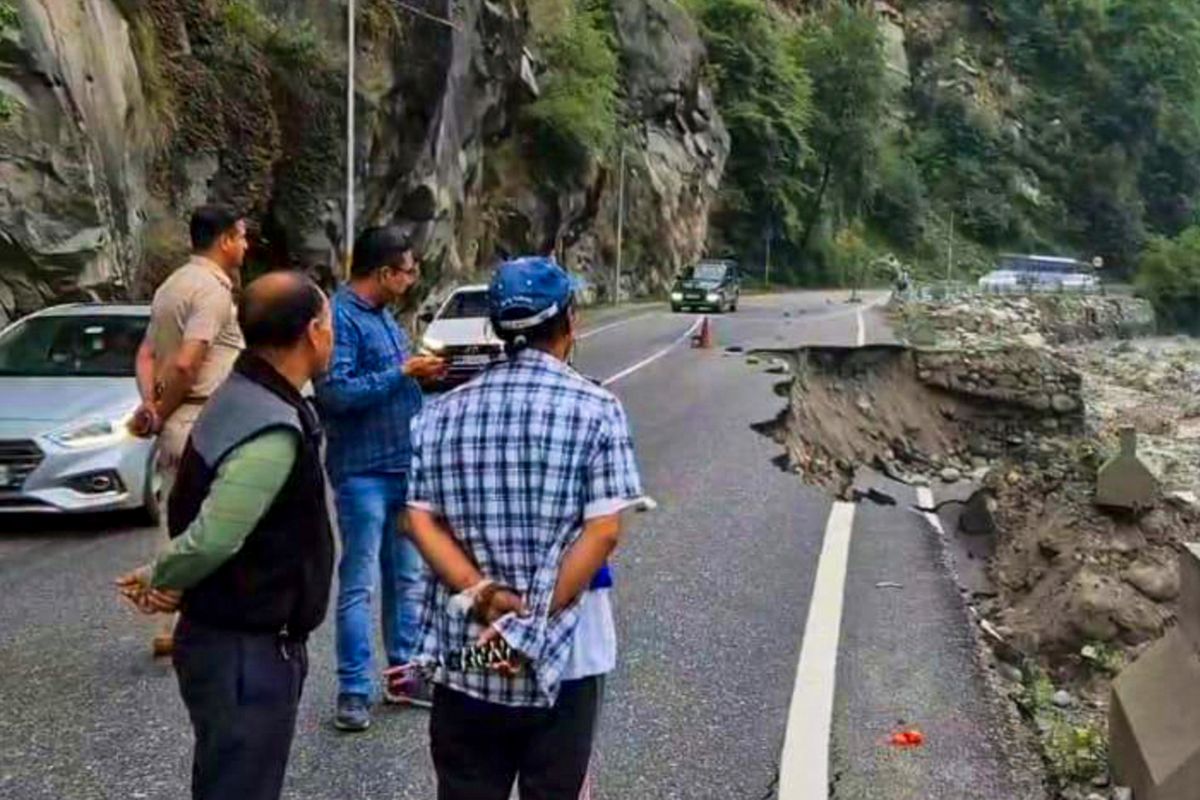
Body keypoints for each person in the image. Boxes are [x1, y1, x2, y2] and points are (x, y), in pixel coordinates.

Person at [395, 256, 645, 800]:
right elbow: (602, 533)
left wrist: (482, 593)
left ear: (495, 328)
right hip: (567, 653)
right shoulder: (597, 408)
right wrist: (527, 626)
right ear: (570, 324)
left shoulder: (440, 414)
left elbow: (417, 518)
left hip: (469, 651)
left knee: (466, 787)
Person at [116, 271, 336, 800]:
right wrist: (161, 575)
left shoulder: (240, 391)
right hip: (246, 652)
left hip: (227, 636)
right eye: (329, 322)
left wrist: (179, 582)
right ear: (312, 330)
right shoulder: (269, 424)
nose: (332, 334)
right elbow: (215, 535)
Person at [313, 225, 446, 731]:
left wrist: (424, 378)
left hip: (402, 466)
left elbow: (396, 384)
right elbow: (336, 393)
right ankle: (352, 689)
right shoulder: (340, 318)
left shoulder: (389, 319)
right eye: (408, 271)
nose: (412, 280)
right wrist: (403, 373)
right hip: (362, 471)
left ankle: (403, 676)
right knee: (358, 584)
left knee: (406, 577)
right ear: (385, 271)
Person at [131, 204, 248, 656]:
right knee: (223, 518)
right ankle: (209, 619)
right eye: (241, 236)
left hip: (176, 424)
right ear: (223, 241)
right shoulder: (213, 292)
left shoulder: (170, 287)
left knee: (175, 519)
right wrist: (162, 409)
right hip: (206, 418)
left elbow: (146, 355)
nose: (245, 245)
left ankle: (169, 619)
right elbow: (186, 361)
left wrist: (152, 406)